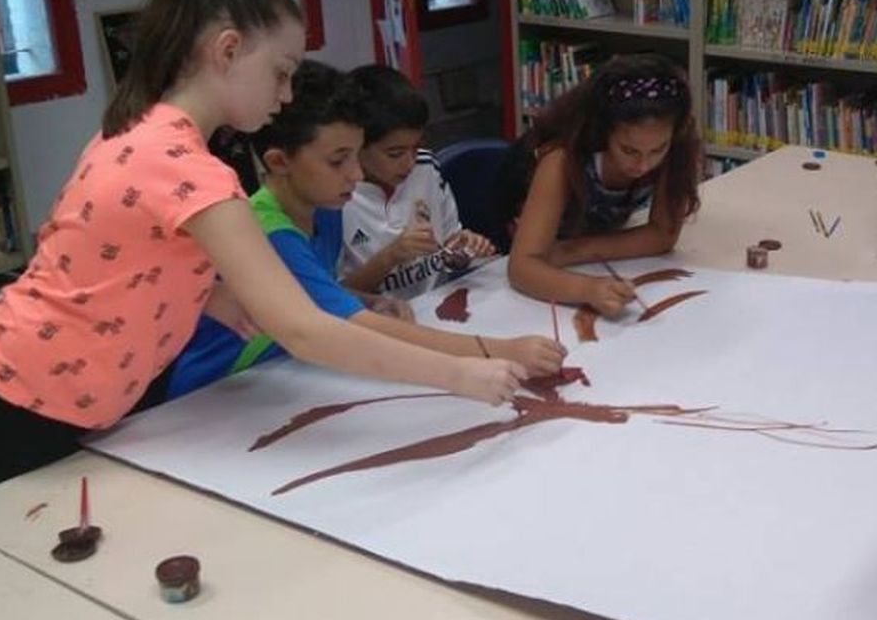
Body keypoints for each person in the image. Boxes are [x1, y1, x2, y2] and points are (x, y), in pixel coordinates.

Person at [0, 0, 527, 499]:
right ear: (228, 51)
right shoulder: (192, 172)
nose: (286, 95)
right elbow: (306, 329)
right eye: (281, 73)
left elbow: (111, 246)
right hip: (18, 397)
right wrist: (460, 375)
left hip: (67, 385)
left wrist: (203, 290)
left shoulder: (141, 126)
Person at [167, 60, 564, 400]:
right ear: (280, 162)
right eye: (338, 161)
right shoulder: (270, 235)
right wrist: (494, 351)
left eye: (356, 157)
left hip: (280, 373)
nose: (356, 175)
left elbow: (314, 293)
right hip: (214, 395)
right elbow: (352, 328)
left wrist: (362, 298)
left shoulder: (324, 205)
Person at [501, 53, 701, 315]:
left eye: (657, 150)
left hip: (573, 249)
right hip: (503, 252)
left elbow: (662, 235)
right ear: (603, 131)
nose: (643, 165)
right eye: (629, 150)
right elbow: (521, 267)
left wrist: (571, 251)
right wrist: (587, 289)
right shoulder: (562, 160)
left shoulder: (677, 146)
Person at [338, 64, 494, 301]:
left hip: (435, 306)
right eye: (395, 154)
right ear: (356, 145)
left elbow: (448, 250)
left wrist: (463, 249)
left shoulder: (426, 167)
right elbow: (334, 296)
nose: (410, 163)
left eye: (416, 147)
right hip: (377, 317)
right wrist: (390, 256)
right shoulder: (335, 198)